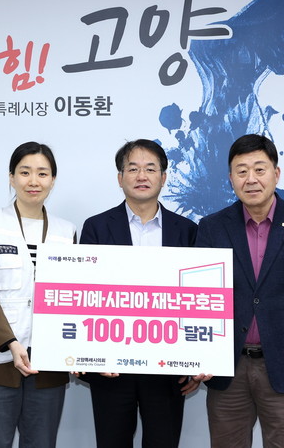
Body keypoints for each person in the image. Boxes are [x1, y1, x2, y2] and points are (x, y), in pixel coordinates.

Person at [195, 134, 284, 448]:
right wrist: (199, 355)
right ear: (231, 178)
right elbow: (199, 298)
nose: (251, 179)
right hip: (227, 367)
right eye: (241, 171)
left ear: (276, 173)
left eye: (259, 169)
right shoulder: (212, 227)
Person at [79, 139, 202, 448]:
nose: (142, 176)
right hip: (111, 367)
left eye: (150, 169)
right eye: (133, 169)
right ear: (120, 178)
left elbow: (197, 300)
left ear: (164, 176)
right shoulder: (96, 228)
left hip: (167, 369)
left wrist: (195, 361)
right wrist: (86, 355)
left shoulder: (187, 230)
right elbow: (83, 295)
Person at [0, 142, 76, 448]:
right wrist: (11, 342)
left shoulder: (67, 232)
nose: (33, 181)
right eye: (25, 172)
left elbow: (75, 296)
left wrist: (78, 348)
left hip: (47, 365)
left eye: (42, 173)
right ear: (11, 177)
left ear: (53, 180)